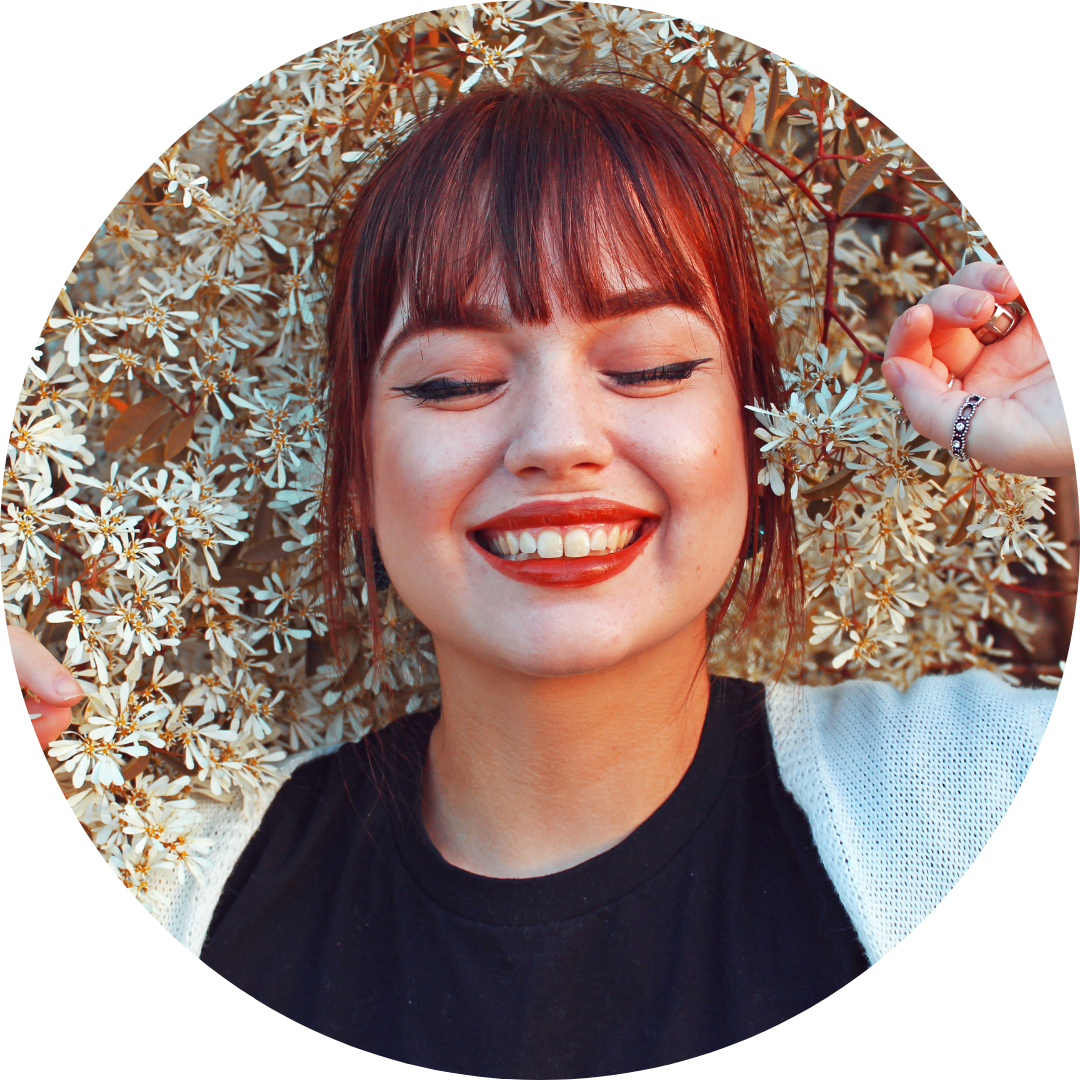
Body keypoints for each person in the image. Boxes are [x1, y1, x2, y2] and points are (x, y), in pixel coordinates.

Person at [10, 78, 1068, 1074]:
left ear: (759, 436)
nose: (557, 442)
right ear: (354, 472)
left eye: (649, 367)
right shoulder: (175, 887)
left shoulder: (960, 797)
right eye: (453, 381)